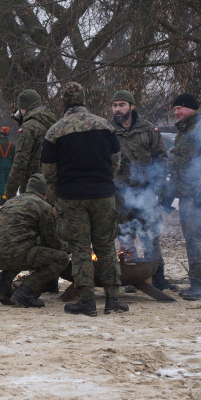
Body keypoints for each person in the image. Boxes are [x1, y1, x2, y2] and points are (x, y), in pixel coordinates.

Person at [41, 82, 126, 317]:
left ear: (64, 102)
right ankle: (113, 299)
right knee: (107, 246)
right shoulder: (105, 126)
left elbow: (49, 171)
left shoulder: (55, 131)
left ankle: (87, 301)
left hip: (72, 197)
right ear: (84, 99)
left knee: (80, 248)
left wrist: (58, 195)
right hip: (103, 196)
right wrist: (103, 182)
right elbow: (116, 162)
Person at [110, 89, 174, 291]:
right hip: (119, 194)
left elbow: (161, 157)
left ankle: (157, 277)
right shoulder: (107, 130)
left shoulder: (148, 129)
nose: (117, 109)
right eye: (114, 105)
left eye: (122, 105)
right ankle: (131, 278)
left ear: (132, 107)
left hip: (145, 192)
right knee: (125, 237)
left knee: (150, 235)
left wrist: (156, 182)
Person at [0, 173, 69, 307]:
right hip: (13, 252)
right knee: (61, 258)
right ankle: (25, 292)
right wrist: (69, 246)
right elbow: (52, 242)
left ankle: (3, 287)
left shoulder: (11, 201)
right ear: (45, 193)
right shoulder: (43, 206)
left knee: (23, 248)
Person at [167, 92, 201, 301]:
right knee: (198, 236)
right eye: (174, 110)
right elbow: (180, 164)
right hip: (187, 192)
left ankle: (198, 285)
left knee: (194, 238)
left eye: (179, 108)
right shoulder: (185, 130)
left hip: (198, 192)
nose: (177, 112)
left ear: (191, 107)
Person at [3, 89, 57, 203]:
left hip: (33, 188)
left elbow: (20, 162)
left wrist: (9, 193)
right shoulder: (53, 123)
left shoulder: (28, 127)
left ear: (24, 107)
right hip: (53, 185)